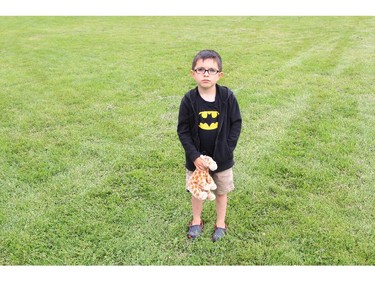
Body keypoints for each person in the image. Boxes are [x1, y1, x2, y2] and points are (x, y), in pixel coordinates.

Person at [177, 50, 242, 242]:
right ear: (193, 73)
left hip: (221, 159)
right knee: (198, 191)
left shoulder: (227, 98)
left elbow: (236, 123)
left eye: (212, 70)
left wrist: (227, 149)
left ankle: (220, 222)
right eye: (201, 69)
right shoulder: (189, 100)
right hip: (196, 159)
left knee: (221, 192)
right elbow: (183, 131)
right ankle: (196, 220)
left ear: (219, 75)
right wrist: (194, 156)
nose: (206, 74)